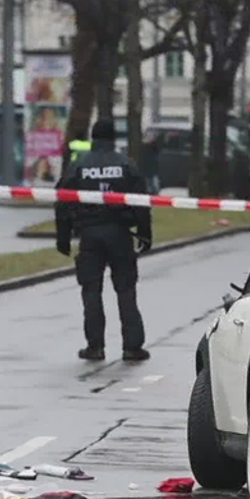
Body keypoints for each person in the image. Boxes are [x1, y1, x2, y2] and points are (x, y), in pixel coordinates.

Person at [54, 118, 153, 362]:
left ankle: (95, 347)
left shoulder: (79, 165)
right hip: (120, 234)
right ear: (113, 139)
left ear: (92, 138)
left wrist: (63, 237)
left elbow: (63, 201)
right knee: (126, 290)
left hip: (89, 235)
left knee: (91, 291)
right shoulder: (125, 164)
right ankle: (132, 346)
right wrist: (145, 233)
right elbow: (141, 202)